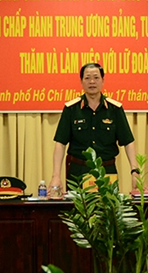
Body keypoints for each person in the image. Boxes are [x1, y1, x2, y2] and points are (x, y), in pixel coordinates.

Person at [49, 63, 140, 192]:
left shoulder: (114, 109)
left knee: (108, 205)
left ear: (103, 80)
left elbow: (128, 142)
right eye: (87, 78)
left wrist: (135, 172)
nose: (92, 82)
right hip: (78, 173)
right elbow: (60, 143)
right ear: (81, 81)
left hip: (107, 172)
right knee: (77, 206)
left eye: (96, 77)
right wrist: (56, 176)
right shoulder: (71, 109)